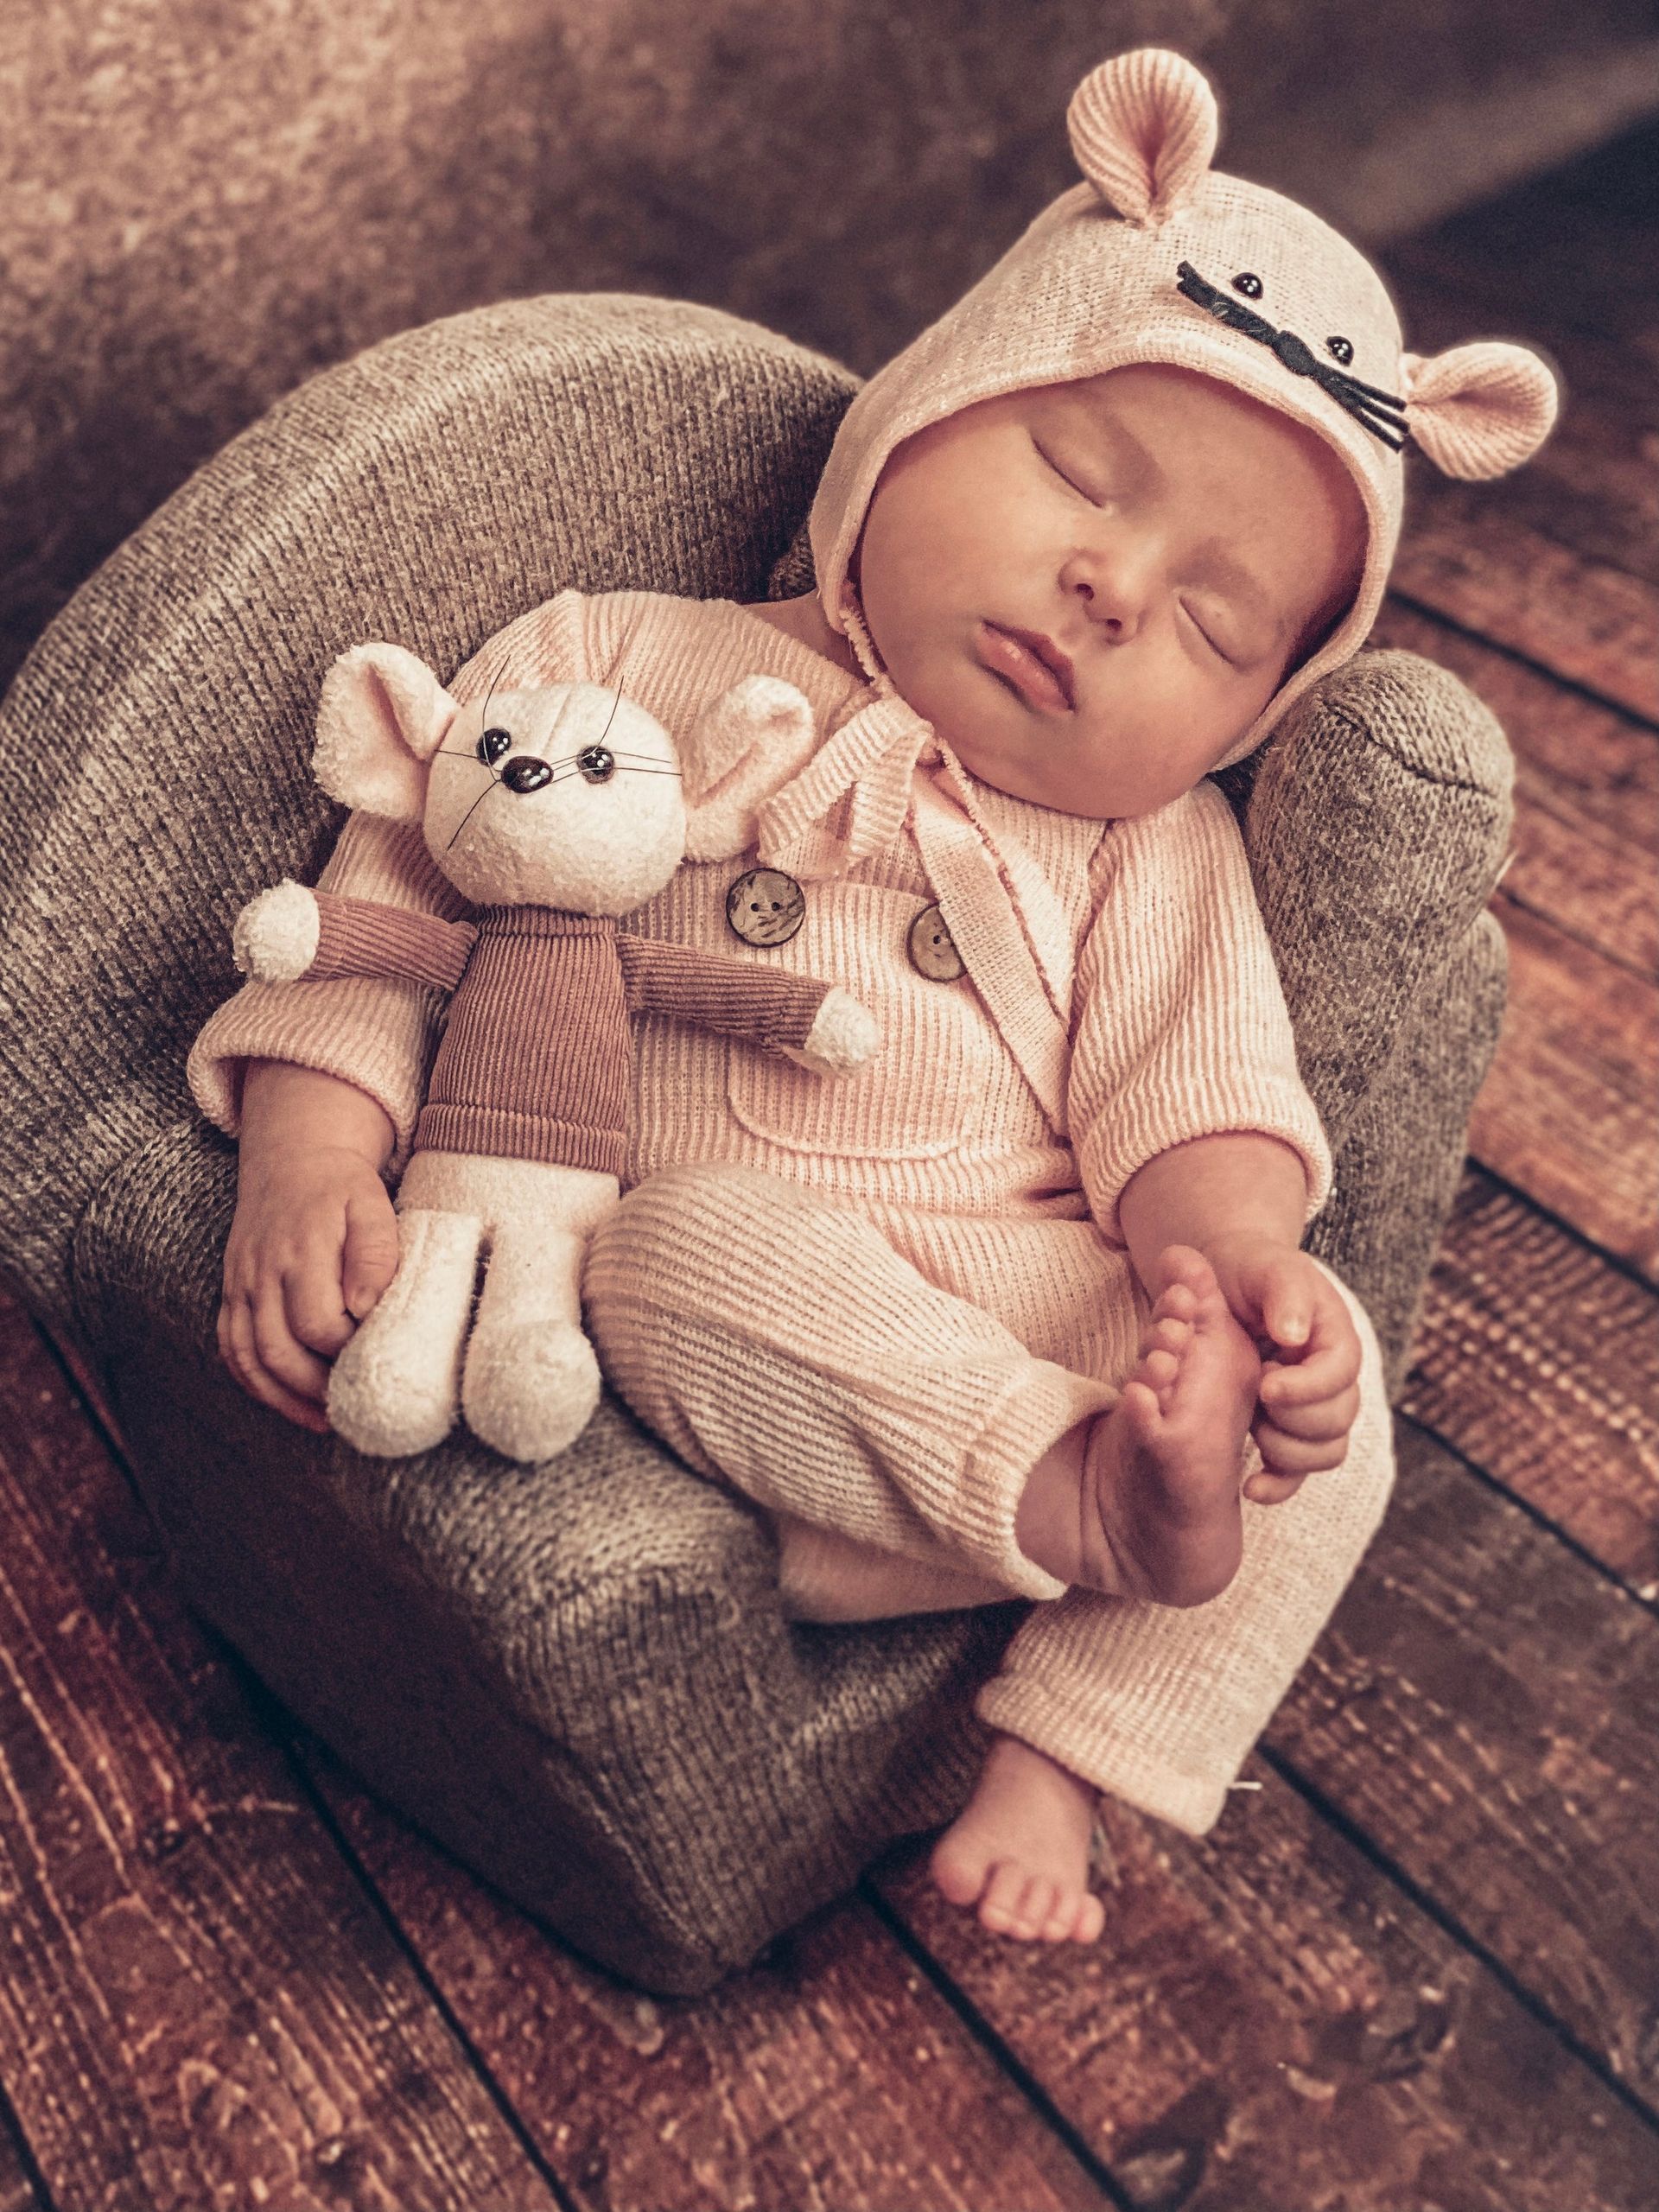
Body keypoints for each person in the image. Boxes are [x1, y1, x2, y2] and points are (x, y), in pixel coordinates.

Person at [187, 48, 1557, 1946]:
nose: (1107, 584)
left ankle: (1067, 1749)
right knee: (681, 1246)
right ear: (922, 411)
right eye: (1080, 471)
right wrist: (309, 1152)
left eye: (1215, 625)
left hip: (1008, 1301)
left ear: (1251, 718)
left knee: (1325, 1421)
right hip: (733, 1357)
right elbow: (400, 893)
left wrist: (1235, 1278)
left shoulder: (1150, 851)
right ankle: (1080, 1506)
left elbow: (1197, 1096)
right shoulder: (618, 657)